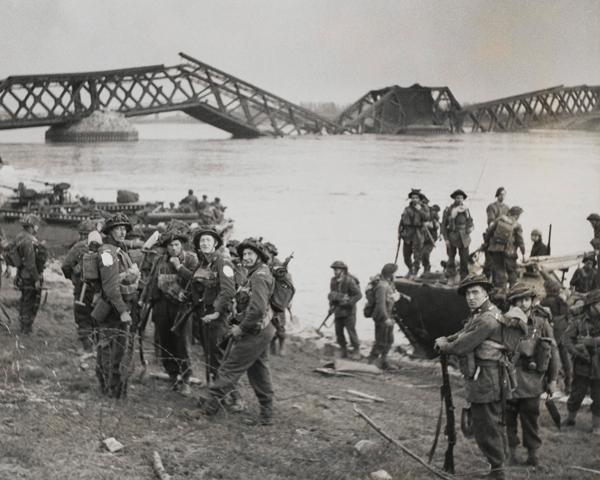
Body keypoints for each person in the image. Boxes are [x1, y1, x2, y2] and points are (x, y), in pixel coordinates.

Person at [190, 237, 277, 426]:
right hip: (262, 329)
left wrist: (240, 328)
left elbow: (257, 310)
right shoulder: (254, 273)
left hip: (254, 331)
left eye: (250, 254)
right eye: (244, 254)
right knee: (259, 371)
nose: (245, 257)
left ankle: (206, 409)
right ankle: (267, 414)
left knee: (229, 368)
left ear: (259, 256)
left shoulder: (259, 276)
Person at [434, 274, 509, 480]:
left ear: (486, 293)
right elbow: (464, 332)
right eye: (467, 293)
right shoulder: (482, 314)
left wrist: (445, 345)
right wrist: (445, 339)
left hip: (487, 379)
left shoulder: (486, 319)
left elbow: (461, 346)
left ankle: (498, 472)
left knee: (486, 427)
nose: (471, 297)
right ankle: (497, 467)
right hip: (485, 378)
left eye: (475, 292)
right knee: (484, 424)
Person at [503, 284, 558, 469]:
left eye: (527, 299)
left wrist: (552, 380)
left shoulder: (541, 322)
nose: (523, 303)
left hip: (532, 381)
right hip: (509, 380)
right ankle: (512, 453)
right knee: (508, 419)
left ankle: (533, 456)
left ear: (532, 301)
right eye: (519, 300)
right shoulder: (505, 321)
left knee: (531, 419)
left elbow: (553, 352)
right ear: (512, 302)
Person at [142, 230, 198, 396]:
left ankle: (186, 380)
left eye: (176, 245)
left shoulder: (190, 259)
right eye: (170, 245)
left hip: (181, 308)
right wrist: (144, 299)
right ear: (165, 247)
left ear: (182, 245)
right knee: (165, 342)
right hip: (161, 305)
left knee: (182, 344)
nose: (173, 248)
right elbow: (152, 280)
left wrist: (178, 267)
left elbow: (195, 280)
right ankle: (173, 377)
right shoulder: (159, 259)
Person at [93, 213, 141, 399]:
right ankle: (109, 386)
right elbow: (111, 287)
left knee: (115, 347)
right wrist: (122, 311)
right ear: (110, 231)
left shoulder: (119, 250)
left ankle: (111, 384)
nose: (122, 232)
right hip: (113, 307)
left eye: (124, 229)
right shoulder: (108, 253)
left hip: (121, 304)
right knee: (110, 348)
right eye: (117, 228)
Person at [181, 227, 235, 386]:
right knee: (209, 353)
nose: (204, 243)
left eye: (208, 240)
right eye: (202, 240)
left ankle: (232, 396)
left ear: (216, 243)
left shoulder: (223, 262)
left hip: (218, 316)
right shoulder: (203, 263)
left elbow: (228, 290)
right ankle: (215, 388)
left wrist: (218, 312)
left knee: (218, 354)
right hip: (203, 314)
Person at [562, 289, 600, 435]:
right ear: (592, 305)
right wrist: (577, 352)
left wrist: (590, 342)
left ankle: (596, 426)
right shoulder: (578, 321)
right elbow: (566, 340)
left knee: (599, 396)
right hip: (582, 364)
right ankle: (571, 419)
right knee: (576, 394)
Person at [61, 219, 97, 351]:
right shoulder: (102, 245)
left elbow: (65, 265)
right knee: (96, 315)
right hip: (98, 288)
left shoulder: (78, 246)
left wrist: (73, 278)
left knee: (82, 316)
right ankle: (97, 346)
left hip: (82, 288)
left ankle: (87, 347)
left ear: (81, 234)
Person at [539, 272, 572, 394]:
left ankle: (550, 382)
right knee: (565, 358)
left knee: (551, 355)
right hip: (564, 330)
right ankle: (568, 385)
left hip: (553, 331)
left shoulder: (547, 301)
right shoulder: (562, 301)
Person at [14, 214, 46, 334]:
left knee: (24, 299)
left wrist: (18, 275)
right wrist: (37, 278)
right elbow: (30, 262)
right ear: (32, 226)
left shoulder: (18, 237)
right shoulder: (29, 240)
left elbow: (19, 260)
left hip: (22, 274)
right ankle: (26, 328)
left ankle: (23, 324)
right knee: (31, 301)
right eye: (36, 226)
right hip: (30, 275)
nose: (37, 228)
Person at [367, 263, 400, 370]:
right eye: (394, 273)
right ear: (390, 274)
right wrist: (386, 319)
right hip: (382, 317)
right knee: (381, 341)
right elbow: (380, 305)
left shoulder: (388, 284)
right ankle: (370, 363)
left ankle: (384, 362)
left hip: (389, 316)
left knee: (389, 340)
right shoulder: (382, 286)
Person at [484, 206, 525, 291]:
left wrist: (487, 242)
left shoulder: (499, 220)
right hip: (509, 250)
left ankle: (502, 289)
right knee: (512, 270)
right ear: (517, 216)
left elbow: (489, 231)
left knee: (499, 268)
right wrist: (523, 253)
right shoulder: (517, 225)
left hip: (496, 249)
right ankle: (512, 288)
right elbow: (520, 240)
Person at [328, 261, 362, 359]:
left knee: (351, 332)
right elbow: (332, 294)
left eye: (337, 270)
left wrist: (349, 303)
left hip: (349, 312)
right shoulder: (333, 281)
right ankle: (343, 350)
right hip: (338, 310)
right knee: (338, 331)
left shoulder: (349, 281)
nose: (335, 272)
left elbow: (358, 295)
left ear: (342, 270)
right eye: (334, 270)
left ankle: (356, 350)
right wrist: (330, 307)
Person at [441, 189, 474, 281]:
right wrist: (446, 239)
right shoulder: (449, 209)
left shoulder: (466, 209)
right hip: (453, 235)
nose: (460, 200)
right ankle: (450, 275)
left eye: (461, 198)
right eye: (457, 198)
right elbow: (444, 225)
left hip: (464, 236)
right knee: (451, 257)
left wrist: (470, 227)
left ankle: (464, 276)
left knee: (464, 257)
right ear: (454, 199)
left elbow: (470, 221)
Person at [398, 189, 430, 277]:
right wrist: (399, 233)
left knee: (417, 254)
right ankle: (410, 269)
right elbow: (402, 221)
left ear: (419, 199)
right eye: (413, 198)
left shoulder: (424, 208)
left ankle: (415, 271)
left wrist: (420, 210)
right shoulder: (407, 209)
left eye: (416, 198)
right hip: (407, 233)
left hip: (418, 232)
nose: (414, 199)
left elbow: (427, 218)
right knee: (406, 255)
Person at [264, 241, 287, 356]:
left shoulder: (281, 267)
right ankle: (272, 347)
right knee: (268, 323)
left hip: (278, 300)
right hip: (266, 298)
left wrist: (286, 301)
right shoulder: (262, 265)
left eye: (267, 253)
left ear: (272, 254)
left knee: (280, 325)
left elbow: (287, 286)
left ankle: (282, 346)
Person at [421, 204, 440, 274]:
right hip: (422, 238)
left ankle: (427, 268)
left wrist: (430, 224)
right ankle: (425, 268)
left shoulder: (433, 216)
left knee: (425, 253)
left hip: (431, 238)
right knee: (421, 254)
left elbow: (437, 226)